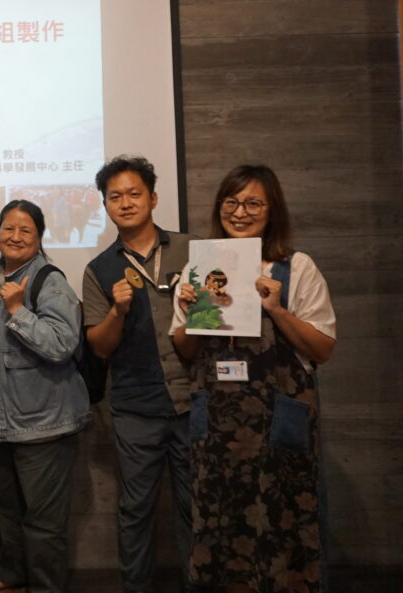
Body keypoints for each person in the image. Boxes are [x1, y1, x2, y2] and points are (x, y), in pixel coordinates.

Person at [170, 165, 335, 593]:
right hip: (217, 429)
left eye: (253, 203)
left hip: (277, 422)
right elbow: (185, 351)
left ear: (272, 209)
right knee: (218, 524)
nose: (239, 212)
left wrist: (277, 310)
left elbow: (322, 349)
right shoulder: (199, 269)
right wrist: (191, 313)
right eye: (231, 202)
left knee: (285, 521)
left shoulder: (296, 267)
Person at [82, 156, 193, 593]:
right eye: (115, 197)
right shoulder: (99, 269)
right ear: (105, 205)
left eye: (134, 194)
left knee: (197, 507)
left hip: (194, 400)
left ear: (153, 198)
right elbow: (99, 346)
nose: (125, 203)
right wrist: (118, 310)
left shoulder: (192, 250)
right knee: (135, 511)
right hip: (135, 409)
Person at [0, 200, 89, 593]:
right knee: (4, 509)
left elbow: (62, 344)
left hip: (43, 423)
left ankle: (46, 586)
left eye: (25, 230)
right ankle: (11, 573)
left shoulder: (48, 280)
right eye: (9, 228)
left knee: (43, 521)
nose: (15, 236)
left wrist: (18, 311)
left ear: (39, 238)